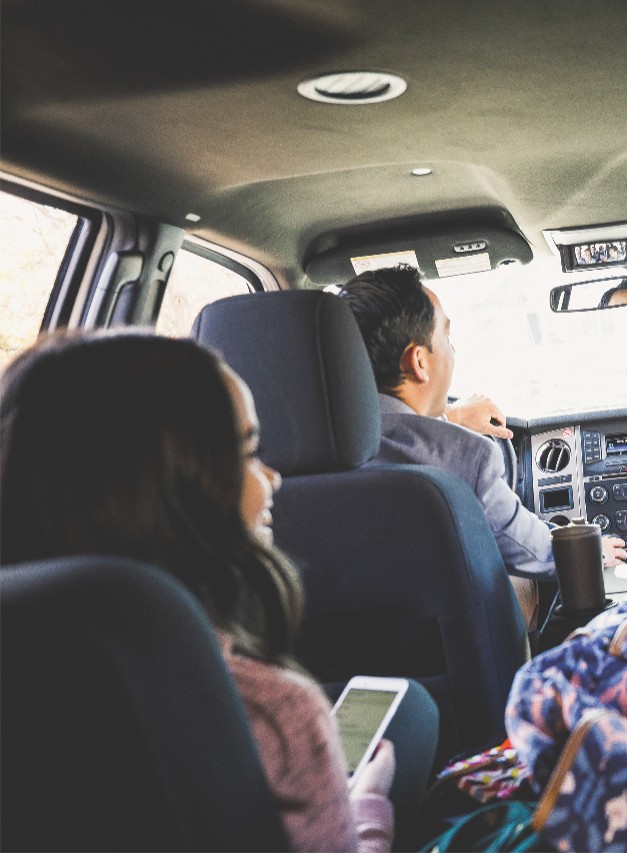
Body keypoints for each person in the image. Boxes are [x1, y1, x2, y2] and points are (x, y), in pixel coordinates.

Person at [0, 331, 425, 853]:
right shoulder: (275, 714)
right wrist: (367, 814)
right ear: (164, 488)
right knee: (415, 717)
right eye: (248, 452)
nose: (273, 477)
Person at [336, 265, 627, 626]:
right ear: (419, 361)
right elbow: (528, 548)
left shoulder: (295, 458)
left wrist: (449, 420)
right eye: (447, 337)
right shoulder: (468, 457)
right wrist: (588, 551)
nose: (453, 351)